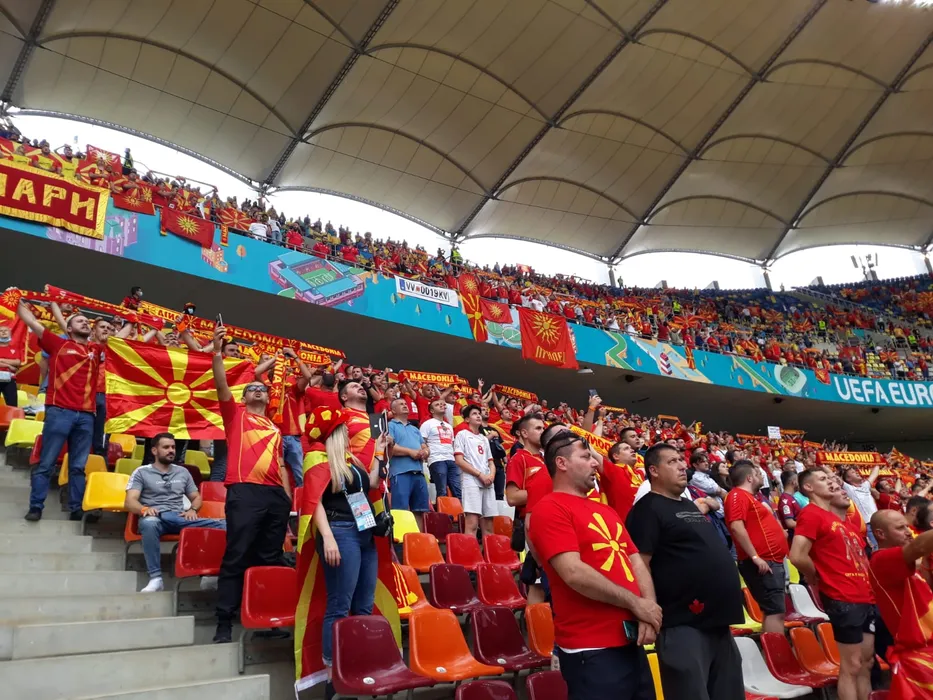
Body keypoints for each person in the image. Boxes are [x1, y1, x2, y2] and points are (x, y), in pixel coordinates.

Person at [528, 429, 660, 700]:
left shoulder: (606, 510)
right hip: (591, 648)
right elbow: (573, 572)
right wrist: (635, 603)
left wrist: (648, 609)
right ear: (561, 463)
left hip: (631, 640)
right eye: (586, 456)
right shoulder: (550, 508)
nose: (594, 463)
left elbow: (635, 562)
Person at [626, 443, 745, 700]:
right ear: (653, 470)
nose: (682, 466)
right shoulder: (646, 509)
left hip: (718, 621)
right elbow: (638, 563)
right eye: (672, 461)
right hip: (682, 623)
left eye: (682, 460)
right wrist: (646, 609)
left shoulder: (688, 505)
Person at [210, 325, 291, 644]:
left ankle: (269, 618)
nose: (258, 391)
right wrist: (217, 352)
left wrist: (286, 497)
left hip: (275, 497)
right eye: (251, 389)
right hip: (244, 492)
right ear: (243, 397)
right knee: (237, 554)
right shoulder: (236, 416)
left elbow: (281, 465)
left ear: (269, 398)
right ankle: (224, 621)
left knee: (270, 558)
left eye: (262, 389)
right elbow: (220, 383)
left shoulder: (275, 428)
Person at [304, 407, 387, 688]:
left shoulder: (350, 459)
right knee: (339, 605)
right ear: (336, 432)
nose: (349, 430)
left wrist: (379, 451)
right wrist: (327, 537)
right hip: (340, 531)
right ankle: (332, 674)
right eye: (344, 427)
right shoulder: (317, 457)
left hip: (364, 533)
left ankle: (358, 663)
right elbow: (313, 500)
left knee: (363, 605)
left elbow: (371, 484)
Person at [790, 469, 875, 700]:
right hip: (842, 596)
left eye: (830, 479)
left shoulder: (839, 520)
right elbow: (797, 555)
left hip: (865, 595)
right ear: (808, 488)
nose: (830, 482)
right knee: (852, 665)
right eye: (822, 479)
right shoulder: (811, 513)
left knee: (866, 663)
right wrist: (814, 575)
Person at [17, 298, 101, 521]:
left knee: (78, 467)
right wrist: (15, 301)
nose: (86, 323)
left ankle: (76, 509)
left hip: (86, 415)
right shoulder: (57, 344)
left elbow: (121, 339)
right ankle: (36, 507)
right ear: (69, 328)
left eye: (87, 321)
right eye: (80, 321)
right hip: (59, 411)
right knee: (46, 463)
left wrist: (132, 319)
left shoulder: (96, 349)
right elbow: (31, 321)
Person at [124, 433, 226, 592]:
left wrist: (192, 509)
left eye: (172, 447)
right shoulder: (141, 472)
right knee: (150, 523)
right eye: (166, 447)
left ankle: (213, 574)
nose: (171, 450)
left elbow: (196, 498)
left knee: (226, 525)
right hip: (155, 518)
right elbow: (130, 501)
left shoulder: (183, 472)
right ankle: (156, 578)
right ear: (154, 450)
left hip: (179, 517)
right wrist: (144, 509)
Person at [869, 509, 933, 698]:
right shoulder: (880, 560)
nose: (908, 532)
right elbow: (919, 546)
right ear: (880, 534)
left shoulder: (906, 566)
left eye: (907, 526)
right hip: (918, 656)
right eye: (900, 528)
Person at [724, 460, 788, 634]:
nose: (762, 477)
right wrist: (755, 557)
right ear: (749, 478)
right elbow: (737, 527)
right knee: (775, 612)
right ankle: (777, 650)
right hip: (763, 561)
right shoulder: (738, 495)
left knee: (772, 611)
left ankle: (773, 649)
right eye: (758, 474)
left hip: (769, 560)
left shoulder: (747, 497)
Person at [386, 397, 430, 529]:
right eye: (401, 404)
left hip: (419, 473)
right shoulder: (390, 426)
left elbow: (424, 446)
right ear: (393, 410)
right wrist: (411, 452)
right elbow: (390, 448)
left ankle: (417, 539)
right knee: (400, 510)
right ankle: (401, 538)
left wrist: (425, 452)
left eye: (405, 403)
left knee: (419, 510)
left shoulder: (414, 428)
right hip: (401, 472)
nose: (405, 405)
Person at [454, 405, 497, 537]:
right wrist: (480, 475)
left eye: (479, 413)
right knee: (472, 524)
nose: (478, 415)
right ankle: (469, 551)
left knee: (489, 525)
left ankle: (488, 551)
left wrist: (491, 476)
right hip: (471, 481)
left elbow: (491, 462)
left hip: (488, 482)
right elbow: (459, 460)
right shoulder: (462, 435)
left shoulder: (484, 438)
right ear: (467, 419)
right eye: (474, 414)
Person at [419, 398, 460, 502]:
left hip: (451, 459)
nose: (441, 405)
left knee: (458, 491)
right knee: (442, 490)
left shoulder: (449, 426)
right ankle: (442, 512)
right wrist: (427, 454)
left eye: (442, 404)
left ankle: (459, 512)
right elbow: (421, 441)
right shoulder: (427, 424)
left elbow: (452, 444)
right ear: (432, 410)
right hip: (436, 459)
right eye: (437, 405)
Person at [842, 465, 881, 550]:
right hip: (867, 525)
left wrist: (877, 462)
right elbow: (834, 477)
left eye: (856, 471)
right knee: (876, 549)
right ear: (848, 479)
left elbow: (875, 473)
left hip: (879, 521)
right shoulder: (848, 488)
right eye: (853, 472)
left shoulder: (865, 486)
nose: (857, 473)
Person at [778, 470, 802, 545]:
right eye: (798, 480)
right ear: (793, 482)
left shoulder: (790, 497)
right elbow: (790, 523)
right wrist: (806, 525)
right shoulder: (785, 500)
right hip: (794, 539)